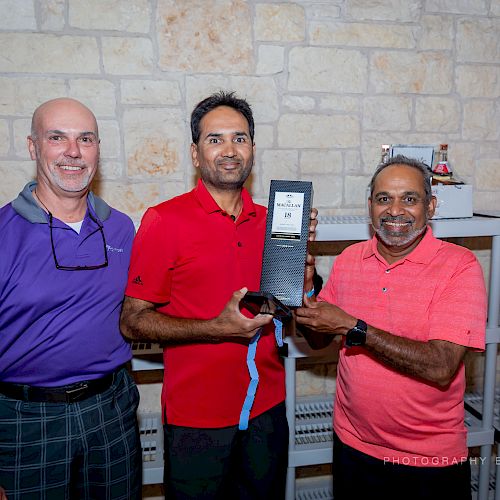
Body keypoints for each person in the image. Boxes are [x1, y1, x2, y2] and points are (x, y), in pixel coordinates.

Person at [120, 90, 317, 499]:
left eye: (239, 138)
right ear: (196, 154)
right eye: (215, 139)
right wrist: (215, 328)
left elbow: (293, 309)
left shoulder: (272, 222)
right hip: (196, 421)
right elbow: (132, 320)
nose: (229, 150)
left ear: (253, 149)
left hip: (266, 412)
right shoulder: (163, 220)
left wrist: (307, 277)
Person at [295, 155, 487, 500]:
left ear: (431, 206)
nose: (394, 210)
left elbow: (441, 366)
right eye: (384, 199)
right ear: (370, 206)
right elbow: (318, 336)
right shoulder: (351, 259)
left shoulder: (460, 267)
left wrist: (354, 327)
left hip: (428, 461)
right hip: (352, 447)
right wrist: (306, 289)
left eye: (409, 199)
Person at [0, 98, 142, 499]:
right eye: (57, 137)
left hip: (111, 410)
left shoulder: (119, 228)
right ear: (33, 148)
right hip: (25, 418)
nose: (73, 152)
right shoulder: (2, 232)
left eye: (86, 139)